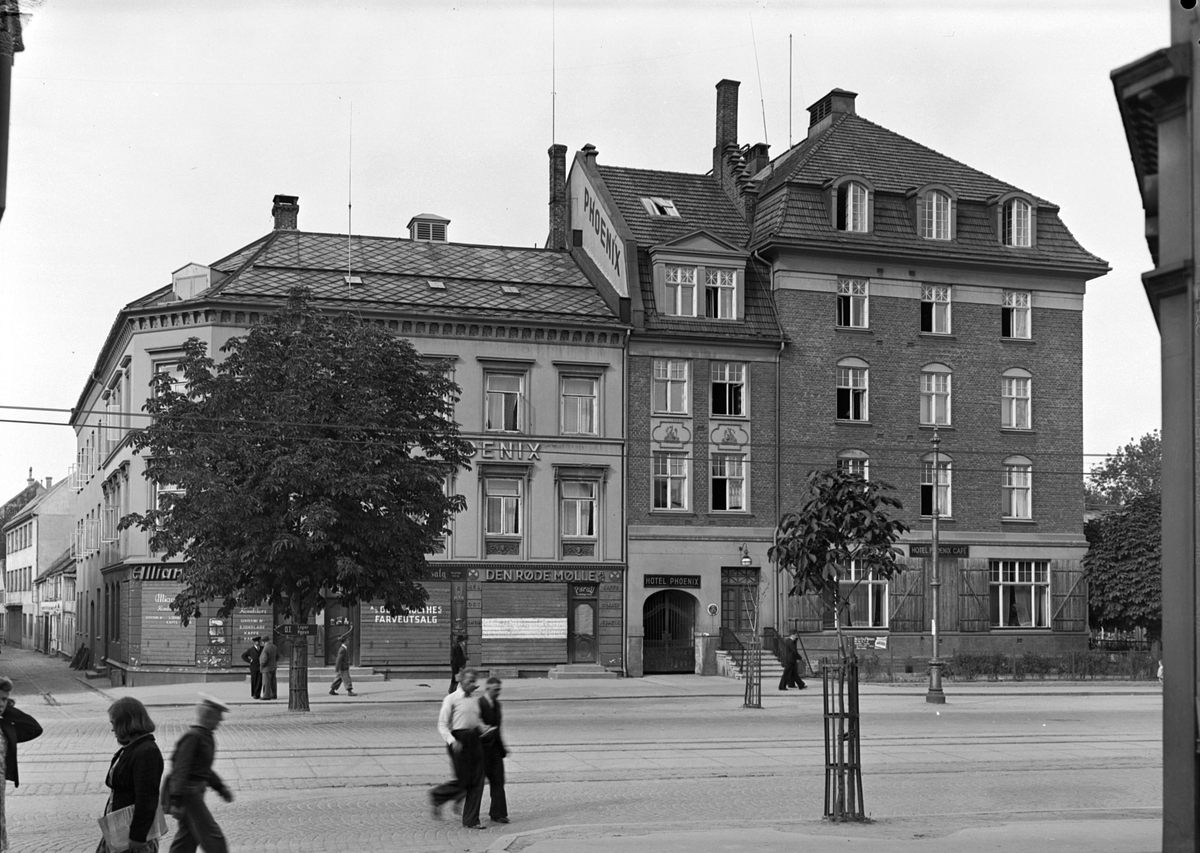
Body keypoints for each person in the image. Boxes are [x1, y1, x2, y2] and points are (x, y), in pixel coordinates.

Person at [162, 695, 233, 853]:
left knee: (186, 840)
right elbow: (181, 769)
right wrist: (177, 800)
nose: (221, 720)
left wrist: (220, 787)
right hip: (189, 794)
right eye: (218, 715)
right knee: (213, 838)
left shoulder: (204, 736)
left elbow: (203, 769)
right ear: (208, 716)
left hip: (193, 792)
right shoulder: (194, 737)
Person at [102, 697, 164, 853]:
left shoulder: (147, 751)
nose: (112, 729)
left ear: (125, 723)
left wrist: (137, 836)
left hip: (132, 834)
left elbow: (147, 798)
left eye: (113, 723)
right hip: (119, 828)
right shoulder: (132, 748)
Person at [429, 667, 486, 829]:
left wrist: (483, 729)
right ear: (461, 681)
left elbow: (476, 720)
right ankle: (438, 795)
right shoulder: (451, 699)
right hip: (458, 742)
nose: (473, 684)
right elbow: (442, 724)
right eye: (470, 681)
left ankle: (471, 820)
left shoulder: (475, 699)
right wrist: (452, 741)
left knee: (477, 781)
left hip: (475, 740)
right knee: (464, 781)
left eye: (475, 681)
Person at [0, 675, 42, 852]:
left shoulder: (4, 724)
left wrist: (7, 710)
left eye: (4, 699)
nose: (1, 703)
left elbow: (34, 728)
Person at [478, 676, 509, 824]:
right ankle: (470, 813)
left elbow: (498, 729)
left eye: (499, 690)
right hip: (481, 751)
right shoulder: (478, 704)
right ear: (488, 688)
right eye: (495, 690)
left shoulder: (497, 705)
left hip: (495, 750)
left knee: (498, 781)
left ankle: (498, 813)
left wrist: (502, 748)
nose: (498, 692)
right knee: (475, 784)